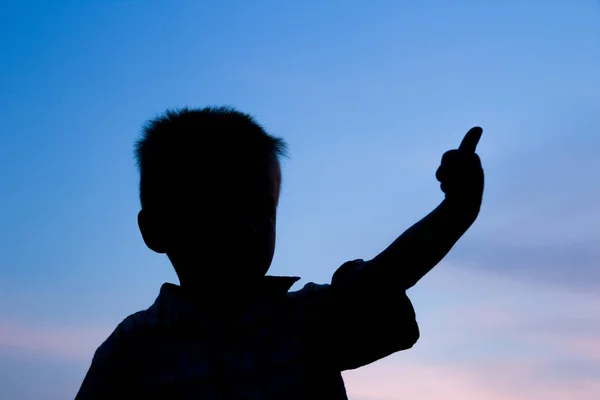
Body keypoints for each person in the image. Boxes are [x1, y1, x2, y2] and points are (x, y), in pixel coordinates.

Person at [75, 106, 484, 399]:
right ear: (157, 230)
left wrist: (456, 211)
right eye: (223, 208)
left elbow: (385, 278)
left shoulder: (304, 322)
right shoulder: (130, 353)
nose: (251, 227)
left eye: (263, 209)